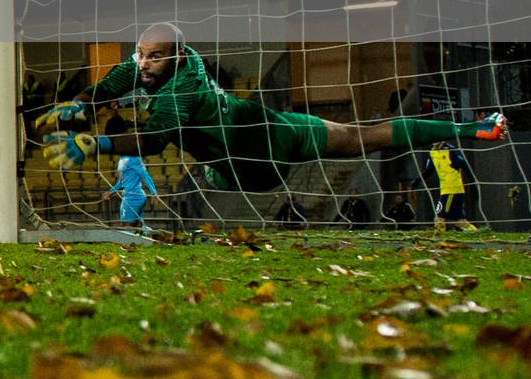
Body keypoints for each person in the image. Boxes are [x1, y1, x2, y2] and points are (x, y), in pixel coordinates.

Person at [39, 23, 507, 189]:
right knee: (363, 135)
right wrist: (81, 101)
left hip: (259, 166)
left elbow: (154, 138)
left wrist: (95, 140)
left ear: (176, 57)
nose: (143, 62)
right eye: (141, 53)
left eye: (153, 56)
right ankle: (475, 128)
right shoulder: (161, 64)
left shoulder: (182, 90)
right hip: (274, 124)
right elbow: (118, 77)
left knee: (217, 171)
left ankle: (467, 130)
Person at [430, 141, 477, 232]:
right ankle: (477, 233)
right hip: (450, 189)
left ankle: (439, 239)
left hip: (450, 189)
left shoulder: (451, 150)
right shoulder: (433, 151)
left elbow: (465, 167)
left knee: (439, 217)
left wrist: (473, 186)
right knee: (460, 221)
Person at [104, 153, 157, 229]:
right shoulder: (124, 158)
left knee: (126, 227)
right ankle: (151, 237)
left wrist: (153, 193)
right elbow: (123, 180)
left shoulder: (133, 158)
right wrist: (111, 191)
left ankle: (154, 236)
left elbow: (145, 175)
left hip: (133, 197)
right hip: (135, 196)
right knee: (137, 227)